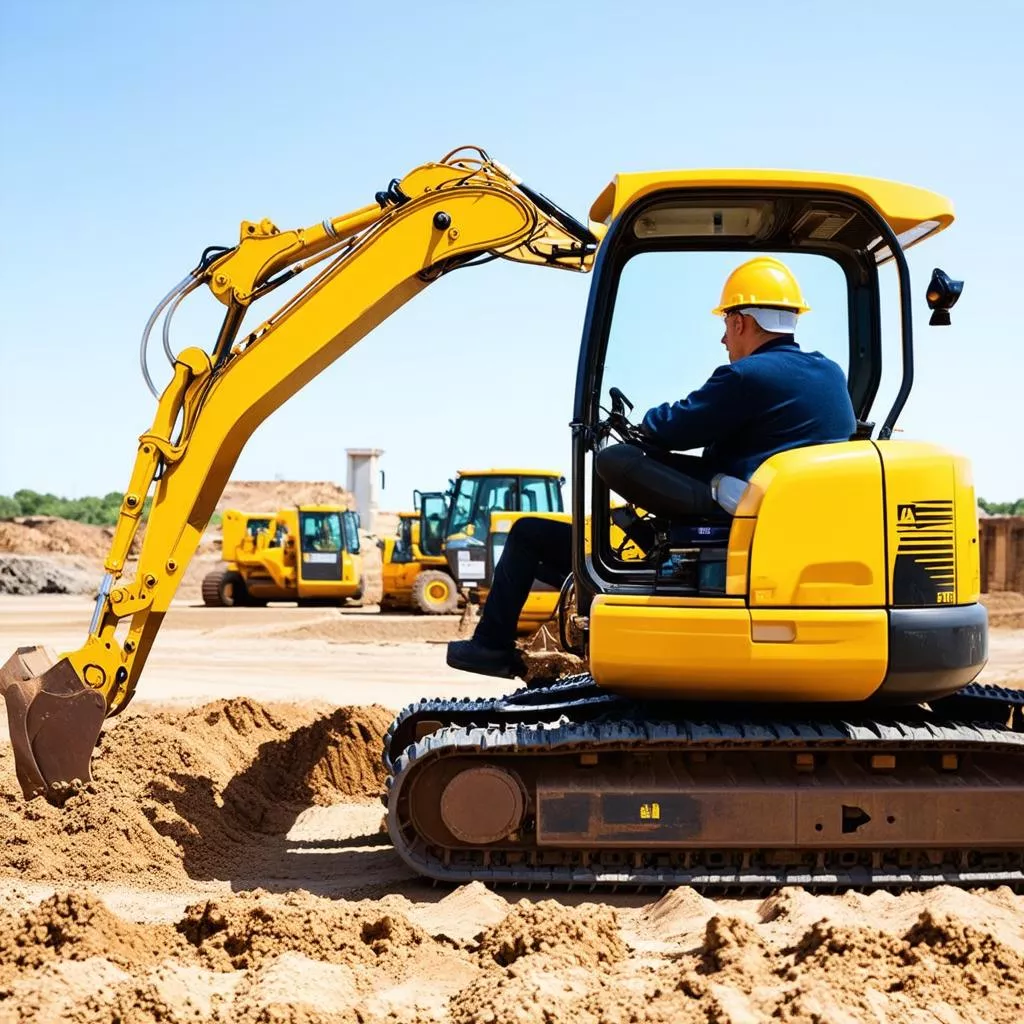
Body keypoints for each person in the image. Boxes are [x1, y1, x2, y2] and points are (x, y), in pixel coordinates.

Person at [446, 256, 857, 679]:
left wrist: (643, 425)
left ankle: (491, 646)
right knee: (588, 540)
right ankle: (603, 570)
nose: (723, 339)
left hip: (739, 514)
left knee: (605, 468)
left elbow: (673, 426)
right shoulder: (828, 373)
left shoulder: (747, 377)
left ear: (740, 321)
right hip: (779, 517)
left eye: (726, 325)